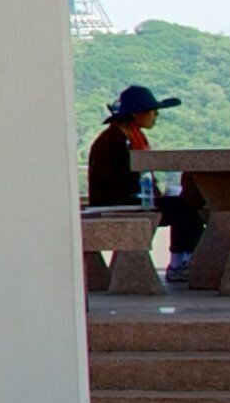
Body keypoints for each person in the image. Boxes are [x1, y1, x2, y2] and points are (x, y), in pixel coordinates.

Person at [86, 86, 204, 278]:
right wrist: (153, 197)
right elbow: (124, 180)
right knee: (185, 209)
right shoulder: (116, 140)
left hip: (125, 199)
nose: (156, 115)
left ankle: (182, 261)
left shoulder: (126, 135)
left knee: (184, 205)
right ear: (136, 113)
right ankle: (179, 263)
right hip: (118, 203)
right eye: (152, 110)